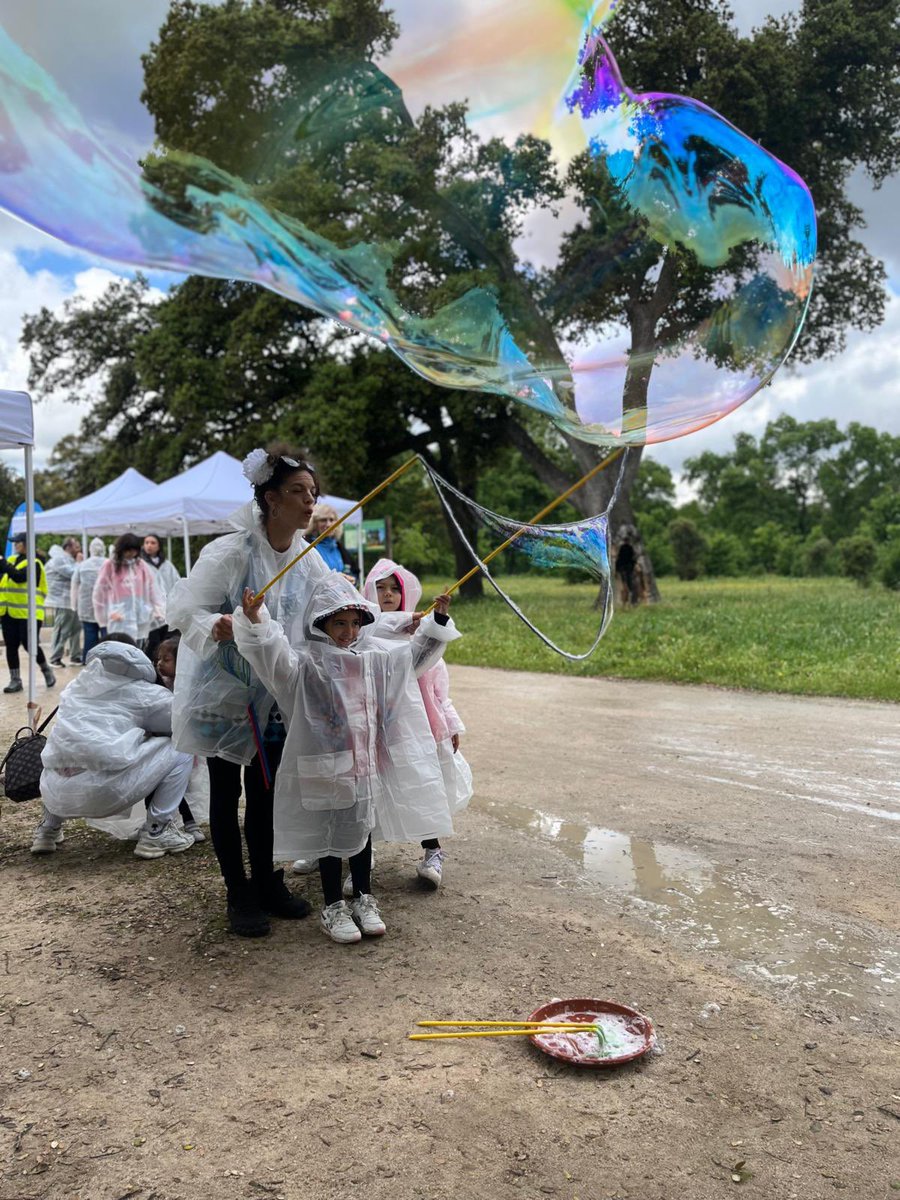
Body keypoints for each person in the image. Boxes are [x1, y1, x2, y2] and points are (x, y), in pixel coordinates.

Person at [234, 572, 459, 944]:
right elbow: (271, 657)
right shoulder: (305, 664)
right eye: (339, 623)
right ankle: (333, 904)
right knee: (329, 839)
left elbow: (413, 660)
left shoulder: (373, 659)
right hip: (324, 767)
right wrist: (258, 620)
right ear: (321, 623)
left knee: (360, 832)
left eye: (355, 623)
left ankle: (365, 899)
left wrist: (436, 623)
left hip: (363, 766)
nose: (348, 631)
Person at [166, 445, 330, 937]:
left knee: (266, 790)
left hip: (274, 696)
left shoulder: (307, 558)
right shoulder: (230, 552)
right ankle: (237, 891)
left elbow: (328, 610)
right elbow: (180, 608)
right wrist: (214, 624)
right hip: (223, 692)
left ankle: (268, 881)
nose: (309, 502)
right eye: (298, 492)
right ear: (270, 500)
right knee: (224, 789)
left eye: (313, 493)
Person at [31, 634, 195, 859]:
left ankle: (46, 831)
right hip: (107, 791)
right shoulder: (143, 692)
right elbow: (179, 723)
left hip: (56, 795)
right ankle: (157, 832)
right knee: (181, 749)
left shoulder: (75, 688)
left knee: (64, 750)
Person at [362, 558, 473, 891]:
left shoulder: (415, 636)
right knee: (368, 791)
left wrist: (437, 620)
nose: (387, 594)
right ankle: (359, 858)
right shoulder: (358, 636)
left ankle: (432, 850)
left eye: (394, 588)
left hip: (414, 727)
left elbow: (436, 682)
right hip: (369, 728)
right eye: (380, 588)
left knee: (419, 784)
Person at [153, 634, 205, 843]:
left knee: (181, 786)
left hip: (183, 745)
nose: (159, 664)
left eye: (166, 659)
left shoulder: (189, 686)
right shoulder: (159, 686)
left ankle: (182, 822)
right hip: (165, 745)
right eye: (159, 659)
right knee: (169, 785)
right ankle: (186, 821)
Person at [0, 533, 56, 693]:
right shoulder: (10, 561)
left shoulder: (35, 563)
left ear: (25, 544)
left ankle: (46, 669)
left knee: (29, 644)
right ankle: (15, 680)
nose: (15, 545)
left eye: (17, 542)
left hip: (29, 613)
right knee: (11, 645)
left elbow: (19, 577)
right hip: (8, 611)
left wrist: (2, 562)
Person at [92, 533, 165, 646]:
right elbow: (99, 592)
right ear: (121, 549)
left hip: (140, 616)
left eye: (134, 550)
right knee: (120, 649)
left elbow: (152, 588)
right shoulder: (110, 565)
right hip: (119, 617)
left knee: (138, 650)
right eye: (128, 550)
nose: (131, 554)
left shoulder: (141, 565)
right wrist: (105, 615)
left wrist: (159, 609)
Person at [142, 534, 182, 659]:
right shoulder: (141, 564)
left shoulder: (167, 565)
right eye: (147, 542)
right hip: (149, 611)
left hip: (167, 611)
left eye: (153, 543)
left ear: (159, 546)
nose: (149, 545)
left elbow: (176, 584)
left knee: (167, 642)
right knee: (152, 643)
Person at [70, 537, 107, 662]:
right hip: (105, 607)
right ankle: (107, 660)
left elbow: (74, 586)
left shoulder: (83, 565)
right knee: (107, 637)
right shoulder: (109, 564)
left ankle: (89, 661)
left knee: (90, 636)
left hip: (86, 607)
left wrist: (73, 605)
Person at [46, 538, 82, 666]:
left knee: (76, 629)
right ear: (68, 547)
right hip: (62, 600)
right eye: (76, 545)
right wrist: (79, 563)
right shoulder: (59, 559)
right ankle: (55, 657)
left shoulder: (69, 559)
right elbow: (73, 574)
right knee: (62, 629)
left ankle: (75, 656)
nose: (79, 547)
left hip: (72, 600)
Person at [306, 503, 355, 580]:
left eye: (331, 520)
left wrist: (352, 579)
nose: (328, 524)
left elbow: (354, 571)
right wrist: (336, 578)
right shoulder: (306, 546)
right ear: (314, 523)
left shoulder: (339, 547)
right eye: (323, 520)